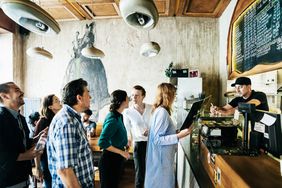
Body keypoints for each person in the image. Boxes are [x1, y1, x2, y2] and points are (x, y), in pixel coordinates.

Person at [47, 78, 95, 187]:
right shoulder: (67, 123)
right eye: (88, 93)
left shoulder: (71, 118)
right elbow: (65, 170)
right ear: (79, 98)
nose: (90, 97)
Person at [144, 83, 192, 188]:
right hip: (161, 159)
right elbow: (157, 140)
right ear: (168, 95)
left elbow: (163, 132)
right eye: (174, 94)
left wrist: (177, 131)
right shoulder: (162, 112)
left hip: (162, 157)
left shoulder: (160, 110)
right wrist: (179, 135)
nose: (175, 97)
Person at [0, 82, 42, 188]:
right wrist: (28, 155)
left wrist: (36, 139)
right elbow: (3, 155)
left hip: (24, 179)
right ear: (4, 96)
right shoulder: (1, 119)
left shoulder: (21, 118)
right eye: (17, 90)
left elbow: (22, 144)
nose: (22, 92)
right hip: (7, 181)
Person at [98, 90, 130, 188]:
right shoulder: (113, 119)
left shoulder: (118, 116)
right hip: (110, 160)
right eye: (127, 98)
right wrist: (121, 152)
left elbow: (116, 134)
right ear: (122, 102)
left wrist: (125, 143)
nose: (129, 99)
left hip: (116, 159)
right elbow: (102, 142)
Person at [123, 85, 152, 188]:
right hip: (138, 144)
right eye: (132, 95)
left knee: (151, 171)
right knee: (140, 173)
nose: (134, 98)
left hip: (152, 143)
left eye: (137, 95)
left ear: (143, 96)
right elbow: (127, 130)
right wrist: (128, 143)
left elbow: (156, 125)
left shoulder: (151, 108)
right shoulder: (127, 112)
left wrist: (151, 131)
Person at [34, 94, 62, 188]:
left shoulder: (58, 119)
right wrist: (38, 168)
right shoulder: (44, 121)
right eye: (56, 100)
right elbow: (38, 147)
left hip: (56, 160)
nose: (60, 101)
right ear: (50, 106)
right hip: (46, 160)